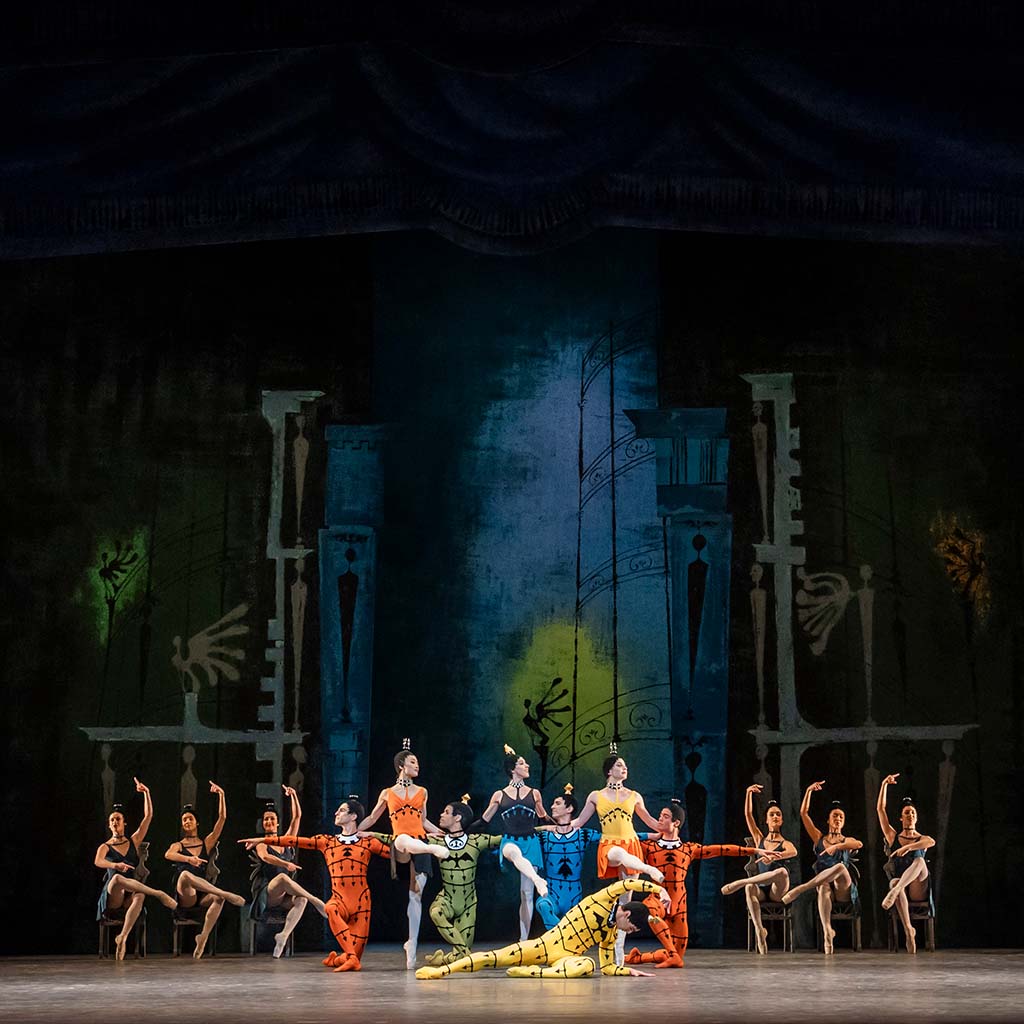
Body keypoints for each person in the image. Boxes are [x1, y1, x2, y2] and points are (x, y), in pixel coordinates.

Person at [241, 795, 404, 971]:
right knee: (330, 908)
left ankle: (339, 959)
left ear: (353, 816)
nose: (336, 813)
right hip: (338, 900)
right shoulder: (327, 841)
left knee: (354, 954)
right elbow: (296, 841)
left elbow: (398, 855)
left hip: (361, 903)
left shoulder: (368, 842)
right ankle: (349, 957)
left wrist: (391, 837)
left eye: (341, 810)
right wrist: (262, 840)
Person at [415, 877, 668, 980]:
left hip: (566, 958)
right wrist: (658, 889)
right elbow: (626, 883)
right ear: (626, 913)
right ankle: (442, 971)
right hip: (545, 945)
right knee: (494, 957)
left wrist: (628, 971)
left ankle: (534, 973)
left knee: (588, 966)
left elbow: (608, 967)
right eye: (630, 927)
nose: (628, 931)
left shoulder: (610, 933)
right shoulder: (602, 900)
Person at [625, 799, 780, 967]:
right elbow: (626, 839)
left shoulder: (688, 849)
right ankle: (672, 956)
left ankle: (637, 958)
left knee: (677, 953)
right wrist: (648, 835)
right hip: (657, 897)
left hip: (679, 902)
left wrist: (755, 850)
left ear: (676, 823)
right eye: (660, 815)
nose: (659, 819)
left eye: (665, 816)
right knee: (650, 913)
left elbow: (721, 849)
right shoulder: (648, 846)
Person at [395, 797, 548, 966]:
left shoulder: (475, 841)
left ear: (458, 817)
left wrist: (538, 829)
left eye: (446, 812)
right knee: (436, 912)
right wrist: (378, 835)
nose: (441, 815)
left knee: (510, 848)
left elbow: (505, 838)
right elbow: (400, 840)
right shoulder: (437, 841)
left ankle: (536, 879)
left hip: (468, 904)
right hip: (447, 898)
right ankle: (469, 956)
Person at [569, 747, 662, 964]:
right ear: (609, 771)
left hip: (632, 844)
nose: (624, 768)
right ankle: (648, 869)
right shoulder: (596, 796)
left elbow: (650, 821)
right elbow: (579, 822)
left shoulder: (634, 796)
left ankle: (618, 949)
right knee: (617, 854)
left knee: (625, 900)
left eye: (625, 765)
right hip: (609, 844)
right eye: (620, 765)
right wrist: (557, 825)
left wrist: (668, 827)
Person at [357, 739, 441, 969]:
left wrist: (440, 833)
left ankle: (411, 944)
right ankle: (429, 848)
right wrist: (355, 831)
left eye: (417, 762)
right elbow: (372, 818)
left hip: (420, 842)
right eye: (413, 762)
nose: (417, 765)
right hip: (401, 845)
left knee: (416, 896)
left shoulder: (422, 792)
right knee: (403, 841)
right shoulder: (387, 793)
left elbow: (424, 821)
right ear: (401, 765)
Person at [94, 777, 177, 960]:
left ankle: (122, 937)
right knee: (117, 878)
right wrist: (115, 865)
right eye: (112, 820)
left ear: (124, 823)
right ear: (109, 824)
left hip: (130, 893)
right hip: (113, 895)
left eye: (118, 819)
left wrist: (147, 793)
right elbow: (98, 861)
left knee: (140, 896)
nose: (115, 822)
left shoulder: (133, 841)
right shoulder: (105, 846)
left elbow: (148, 817)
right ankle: (159, 894)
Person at [164, 781, 246, 959]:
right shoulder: (178, 845)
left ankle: (203, 937)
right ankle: (225, 893)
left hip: (202, 894)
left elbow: (221, 820)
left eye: (190, 819)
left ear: (197, 823)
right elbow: (168, 855)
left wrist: (221, 795)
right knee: (185, 874)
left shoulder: (205, 843)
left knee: (218, 898)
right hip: (186, 895)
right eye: (184, 820)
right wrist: (189, 859)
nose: (187, 821)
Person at [781, 780, 863, 955]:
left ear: (843, 822)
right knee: (824, 888)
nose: (838, 819)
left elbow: (859, 844)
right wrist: (809, 790)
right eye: (835, 816)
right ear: (828, 820)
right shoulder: (819, 838)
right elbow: (803, 813)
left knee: (840, 867)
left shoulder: (846, 840)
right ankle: (827, 932)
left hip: (843, 888)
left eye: (841, 817)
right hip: (824, 885)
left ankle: (801, 888)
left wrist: (838, 846)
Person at [478, 744, 549, 940]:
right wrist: (460, 832)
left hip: (531, 842)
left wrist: (566, 825)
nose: (527, 766)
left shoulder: (535, 793)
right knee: (513, 853)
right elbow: (484, 821)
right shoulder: (499, 795)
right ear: (512, 769)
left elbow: (544, 818)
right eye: (522, 763)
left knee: (526, 894)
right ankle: (537, 880)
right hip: (510, 841)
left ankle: (523, 940)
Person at [248, 785, 328, 957]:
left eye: (272, 819)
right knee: (283, 878)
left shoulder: (285, 842)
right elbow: (266, 858)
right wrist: (284, 864)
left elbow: (297, 817)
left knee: (301, 900)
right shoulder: (261, 843)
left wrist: (293, 795)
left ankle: (283, 936)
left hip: (283, 897)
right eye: (266, 820)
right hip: (267, 894)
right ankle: (315, 900)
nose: (269, 822)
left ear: (277, 822)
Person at [719, 783, 799, 954]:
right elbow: (748, 815)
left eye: (778, 814)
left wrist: (775, 856)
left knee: (782, 872)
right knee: (750, 888)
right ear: (767, 820)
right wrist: (748, 793)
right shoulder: (759, 839)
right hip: (762, 889)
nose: (775, 816)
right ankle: (759, 931)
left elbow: (793, 852)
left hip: (778, 891)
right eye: (772, 814)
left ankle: (740, 882)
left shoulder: (785, 843)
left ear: (782, 820)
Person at [876, 773, 935, 953]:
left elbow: (931, 842)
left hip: (918, 887)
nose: (910, 815)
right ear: (901, 818)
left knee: (919, 860)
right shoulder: (893, 837)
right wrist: (884, 784)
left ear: (916, 818)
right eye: (906, 813)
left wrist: (909, 847)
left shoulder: (922, 838)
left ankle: (895, 891)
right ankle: (909, 930)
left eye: (912, 813)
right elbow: (880, 810)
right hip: (902, 888)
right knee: (894, 882)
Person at [532, 784, 599, 929]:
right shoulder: (545, 836)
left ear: (569, 809)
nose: (552, 807)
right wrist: (543, 827)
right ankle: (561, 935)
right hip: (551, 893)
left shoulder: (583, 835)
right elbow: (522, 836)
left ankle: (563, 936)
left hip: (574, 896)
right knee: (543, 905)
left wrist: (648, 836)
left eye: (557, 803)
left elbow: (613, 838)